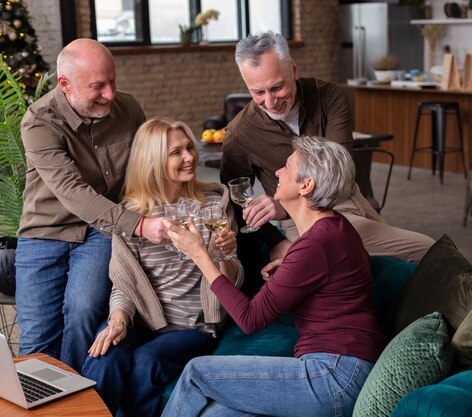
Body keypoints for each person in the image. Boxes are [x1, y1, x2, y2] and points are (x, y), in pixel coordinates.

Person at [163, 136, 386, 416]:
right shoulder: (334, 229)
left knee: (196, 372)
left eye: (287, 166)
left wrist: (200, 255)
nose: (278, 172)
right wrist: (294, 268)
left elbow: (249, 318)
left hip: (334, 375)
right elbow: (343, 276)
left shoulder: (316, 244)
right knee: (215, 414)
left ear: (306, 185)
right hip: (342, 371)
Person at [221, 31, 434, 289]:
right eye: (258, 92)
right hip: (306, 221)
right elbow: (233, 202)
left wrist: (282, 205)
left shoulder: (330, 96)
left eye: (277, 87)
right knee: (427, 251)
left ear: (294, 70)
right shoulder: (239, 133)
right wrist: (276, 241)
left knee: (397, 270)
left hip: (352, 198)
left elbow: (339, 171)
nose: (270, 101)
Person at [15, 39, 169, 372]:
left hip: (100, 230)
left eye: (113, 81)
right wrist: (139, 225)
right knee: (37, 335)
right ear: (65, 85)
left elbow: (148, 167)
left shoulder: (128, 109)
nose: (110, 94)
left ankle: (74, 399)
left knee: (83, 310)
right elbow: (72, 191)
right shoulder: (39, 122)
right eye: (98, 86)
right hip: (44, 232)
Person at [81, 117, 244, 417]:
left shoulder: (213, 205)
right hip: (141, 321)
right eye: (176, 152)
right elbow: (124, 284)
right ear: (153, 160)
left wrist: (224, 254)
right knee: (103, 356)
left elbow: (231, 282)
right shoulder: (133, 216)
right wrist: (117, 319)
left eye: (189, 148)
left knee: (147, 362)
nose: (189, 157)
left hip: (191, 327)